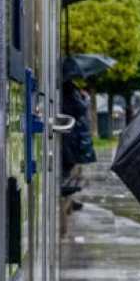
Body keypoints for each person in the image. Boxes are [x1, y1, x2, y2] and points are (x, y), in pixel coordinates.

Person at [60, 80, 96, 208]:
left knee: (67, 166)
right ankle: (66, 199)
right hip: (71, 135)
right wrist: (85, 99)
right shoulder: (69, 89)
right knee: (67, 165)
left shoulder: (67, 89)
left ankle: (68, 200)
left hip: (69, 134)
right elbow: (80, 108)